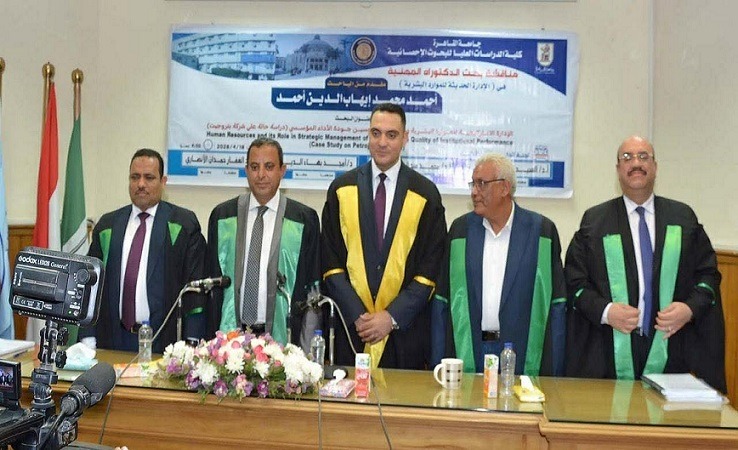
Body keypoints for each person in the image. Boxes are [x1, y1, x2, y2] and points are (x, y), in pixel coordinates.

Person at [565, 135, 726, 391]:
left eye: (643, 156)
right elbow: (574, 281)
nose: (636, 163)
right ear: (618, 169)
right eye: (627, 157)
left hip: (672, 343)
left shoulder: (683, 218)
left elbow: (708, 274)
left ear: (655, 166)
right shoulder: (595, 222)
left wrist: (689, 309)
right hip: (609, 346)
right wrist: (606, 311)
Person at [321, 103, 447, 369]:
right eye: (375, 133)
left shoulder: (425, 194)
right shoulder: (341, 189)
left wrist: (390, 317)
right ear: (368, 135)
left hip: (404, 337)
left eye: (391, 135)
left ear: (405, 139)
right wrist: (359, 316)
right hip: (352, 333)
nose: (382, 142)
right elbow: (330, 263)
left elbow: (430, 269)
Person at [430, 154, 566, 375]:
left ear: (504, 188)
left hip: (520, 351)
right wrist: (438, 362)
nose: (474, 192)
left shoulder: (541, 232)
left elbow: (557, 306)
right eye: (473, 184)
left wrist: (555, 371)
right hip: (471, 348)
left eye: (481, 184)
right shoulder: (460, 231)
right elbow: (442, 302)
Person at [80, 149, 206, 352]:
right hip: (113, 341)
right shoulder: (108, 225)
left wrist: (192, 342)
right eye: (135, 177)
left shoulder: (183, 224)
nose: (141, 184)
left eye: (149, 178)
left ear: (163, 182)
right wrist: (87, 338)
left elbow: (195, 288)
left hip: (164, 343)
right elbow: (90, 285)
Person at [206, 138, 320, 350]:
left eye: (269, 167)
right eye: (254, 167)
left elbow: (312, 290)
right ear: (246, 170)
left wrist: (307, 351)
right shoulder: (223, 216)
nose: (261, 175)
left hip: (283, 340)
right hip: (230, 340)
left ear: (282, 170)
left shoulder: (304, 219)